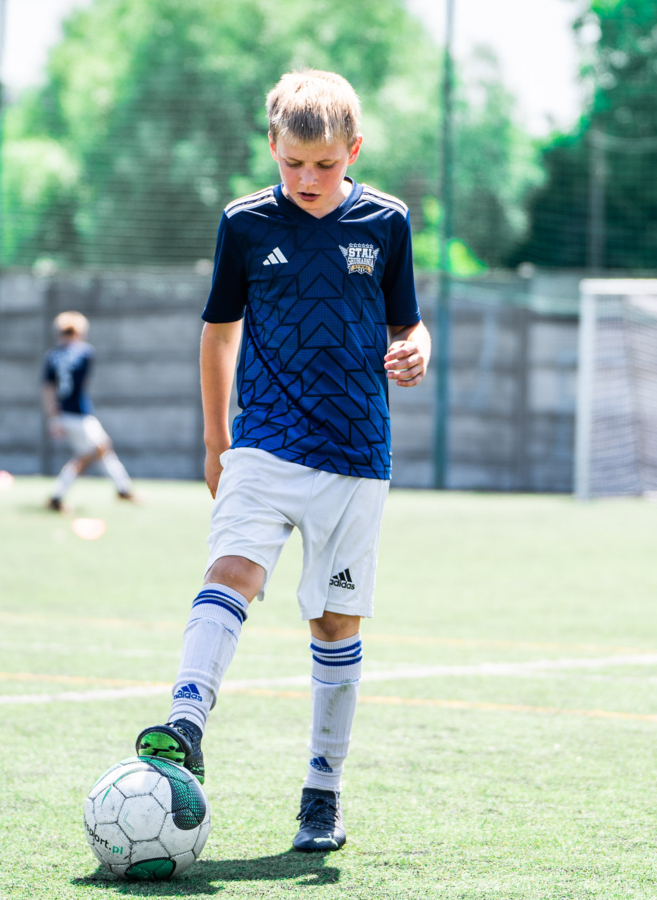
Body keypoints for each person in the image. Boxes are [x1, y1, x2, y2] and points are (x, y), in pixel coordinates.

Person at [132, 70, 430, 852]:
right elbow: (218, 333)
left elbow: (408, 323)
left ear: (354, 150)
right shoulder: (244, 224)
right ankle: (186, 721)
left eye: (324, 164)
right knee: (231, 570)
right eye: (293, 162)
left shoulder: (388, 223)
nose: (307, 178)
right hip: (263, 441)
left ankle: (322, 794)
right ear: (272, 146)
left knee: (333, 622)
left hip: (356, 455)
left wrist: (415, 351)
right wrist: (215, 441)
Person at [42, 311, 135, 510]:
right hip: (80, 412)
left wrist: (53, 419)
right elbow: (83, 384)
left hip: (63, 413)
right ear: (79, 331)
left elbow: (48, 389)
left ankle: (123, 489)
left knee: (100, 450)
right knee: (94, 451)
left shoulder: (52, 355)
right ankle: (57, 496)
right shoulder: (84, 352)